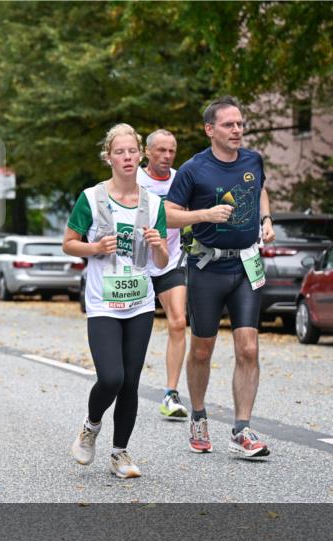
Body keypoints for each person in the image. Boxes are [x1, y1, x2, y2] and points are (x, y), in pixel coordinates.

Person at [164, 96, 276, 458]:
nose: (237, 130)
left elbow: (260, 188)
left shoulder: (253, 160)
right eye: (229, 125)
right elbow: (167, 215)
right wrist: (205, 215)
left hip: (246, 266)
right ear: (210, 129)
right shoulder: (193, 169)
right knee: (202, 348)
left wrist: (266, 220)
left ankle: (242, 429)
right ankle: (198, 415)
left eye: (240, 124)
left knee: (248, 347)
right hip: (206, 268)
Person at [64, 124, 169, 479]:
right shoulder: (91, 198)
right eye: (119, 152)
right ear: (108, 157)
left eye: (132, 151)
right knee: (111, 377)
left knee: (131, 382)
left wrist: (158, 244)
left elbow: (163, 262)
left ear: (140, 155)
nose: (126, 157)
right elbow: (69, 243)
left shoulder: (154, 203)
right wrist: (94, 248)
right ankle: (90, 426)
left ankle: (120, 454)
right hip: (103, 303)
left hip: (139, 302)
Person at [137, 129, 189, 421]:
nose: (167, 156)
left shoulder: (182, 179)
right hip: (138, 264)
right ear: (147, 152)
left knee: (179, 322)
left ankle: (170, 393)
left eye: (171, 150)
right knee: (134, 329)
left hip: (170, 261)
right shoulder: (136, 181)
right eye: (161, 151)